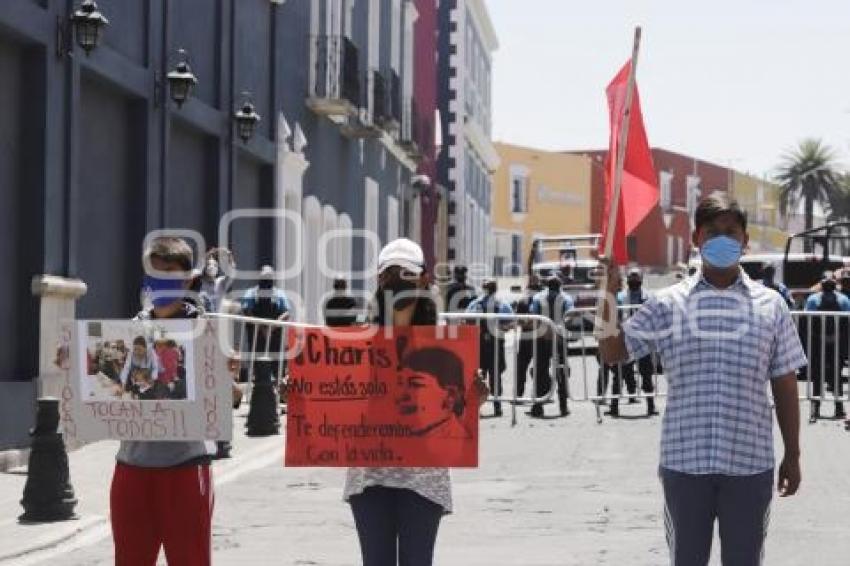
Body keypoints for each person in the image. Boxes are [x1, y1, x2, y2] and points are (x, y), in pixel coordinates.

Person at [598, 194, 806, 566]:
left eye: (731, 231)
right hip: (684, 464)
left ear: (745, 240)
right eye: (713, 232)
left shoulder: (771, 305)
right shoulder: (667, 304)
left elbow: (786, 384)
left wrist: (793, 453)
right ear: (696, 239)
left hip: (749, 463)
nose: (722, 239)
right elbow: (613, 353)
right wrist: (607, 294)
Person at [344, 238, 487, 566]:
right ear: (378, 281)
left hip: (424, 478)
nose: (395, 280)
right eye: (387, 273)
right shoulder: (355, 339)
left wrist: (476, 397)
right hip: (369, 475)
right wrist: (297, 395)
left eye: (404, 273)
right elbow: (338, 398)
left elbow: (458, 411)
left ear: (423, 279)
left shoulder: (447, 342)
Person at [112, 236, 215, 565]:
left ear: (187, 280)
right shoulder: (128, 331)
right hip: (131, 468)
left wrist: (231, 383)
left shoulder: (205, 332)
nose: (158, 283)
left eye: (167, 274)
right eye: (152, 274)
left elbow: (224, 399)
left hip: (185, 472)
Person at [607, 268, 658, 418]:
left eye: (636, 277)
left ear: (642, 279)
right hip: (624, 341)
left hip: (643, 341)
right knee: (618, 375)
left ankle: (650, 406)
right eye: (631, 277)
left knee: (646, 374)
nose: (634, 280)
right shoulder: (620, 297)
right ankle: (614, 407)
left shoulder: (648, 296)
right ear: (627, 280)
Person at [802, 275, 849, 422]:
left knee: (817, 376)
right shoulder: (844, 300)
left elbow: (805, 319)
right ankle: (839, 408)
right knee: (836, 376)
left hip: (817, 343)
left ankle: (815, 409)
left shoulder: (812, 300)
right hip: (837, 343)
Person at [465, 278, 514, 417]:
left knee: (479, 376)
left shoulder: (475, 304)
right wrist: (500, 328)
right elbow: (511, 323)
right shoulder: (503, 304)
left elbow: (466, 320)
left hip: (479, 345)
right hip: (495, 345)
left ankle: (476, 407)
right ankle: (497, 407)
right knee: (496, 376)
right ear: (496, 289)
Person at [528, 274, 574, 418]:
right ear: (560, 286)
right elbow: (570, 316)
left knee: (540, 371)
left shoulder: (537, 298)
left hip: (541, 338)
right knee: (561, 370)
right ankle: (563, 406)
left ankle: (537, 406)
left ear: (546, 285)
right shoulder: (566, 298)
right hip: (559, 338)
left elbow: (533, 316)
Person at [241, 265, 291, 383]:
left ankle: (278, 387)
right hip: (256, 335)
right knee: (257, 362)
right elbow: (246, 310)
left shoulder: (279, 293)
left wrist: (272, 326)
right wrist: (260, 327)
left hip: (275, 335)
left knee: (277, 364)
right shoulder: (251, 293)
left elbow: (286, 312)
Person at [513, 276, 542, 398]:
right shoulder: (540, 300)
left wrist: (527, 322)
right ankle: (536, 394)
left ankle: (520, 394)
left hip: (528, 338)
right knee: (539, 367)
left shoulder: (523, 300)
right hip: (537, 338)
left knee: (523, 367)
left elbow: (518, 320)